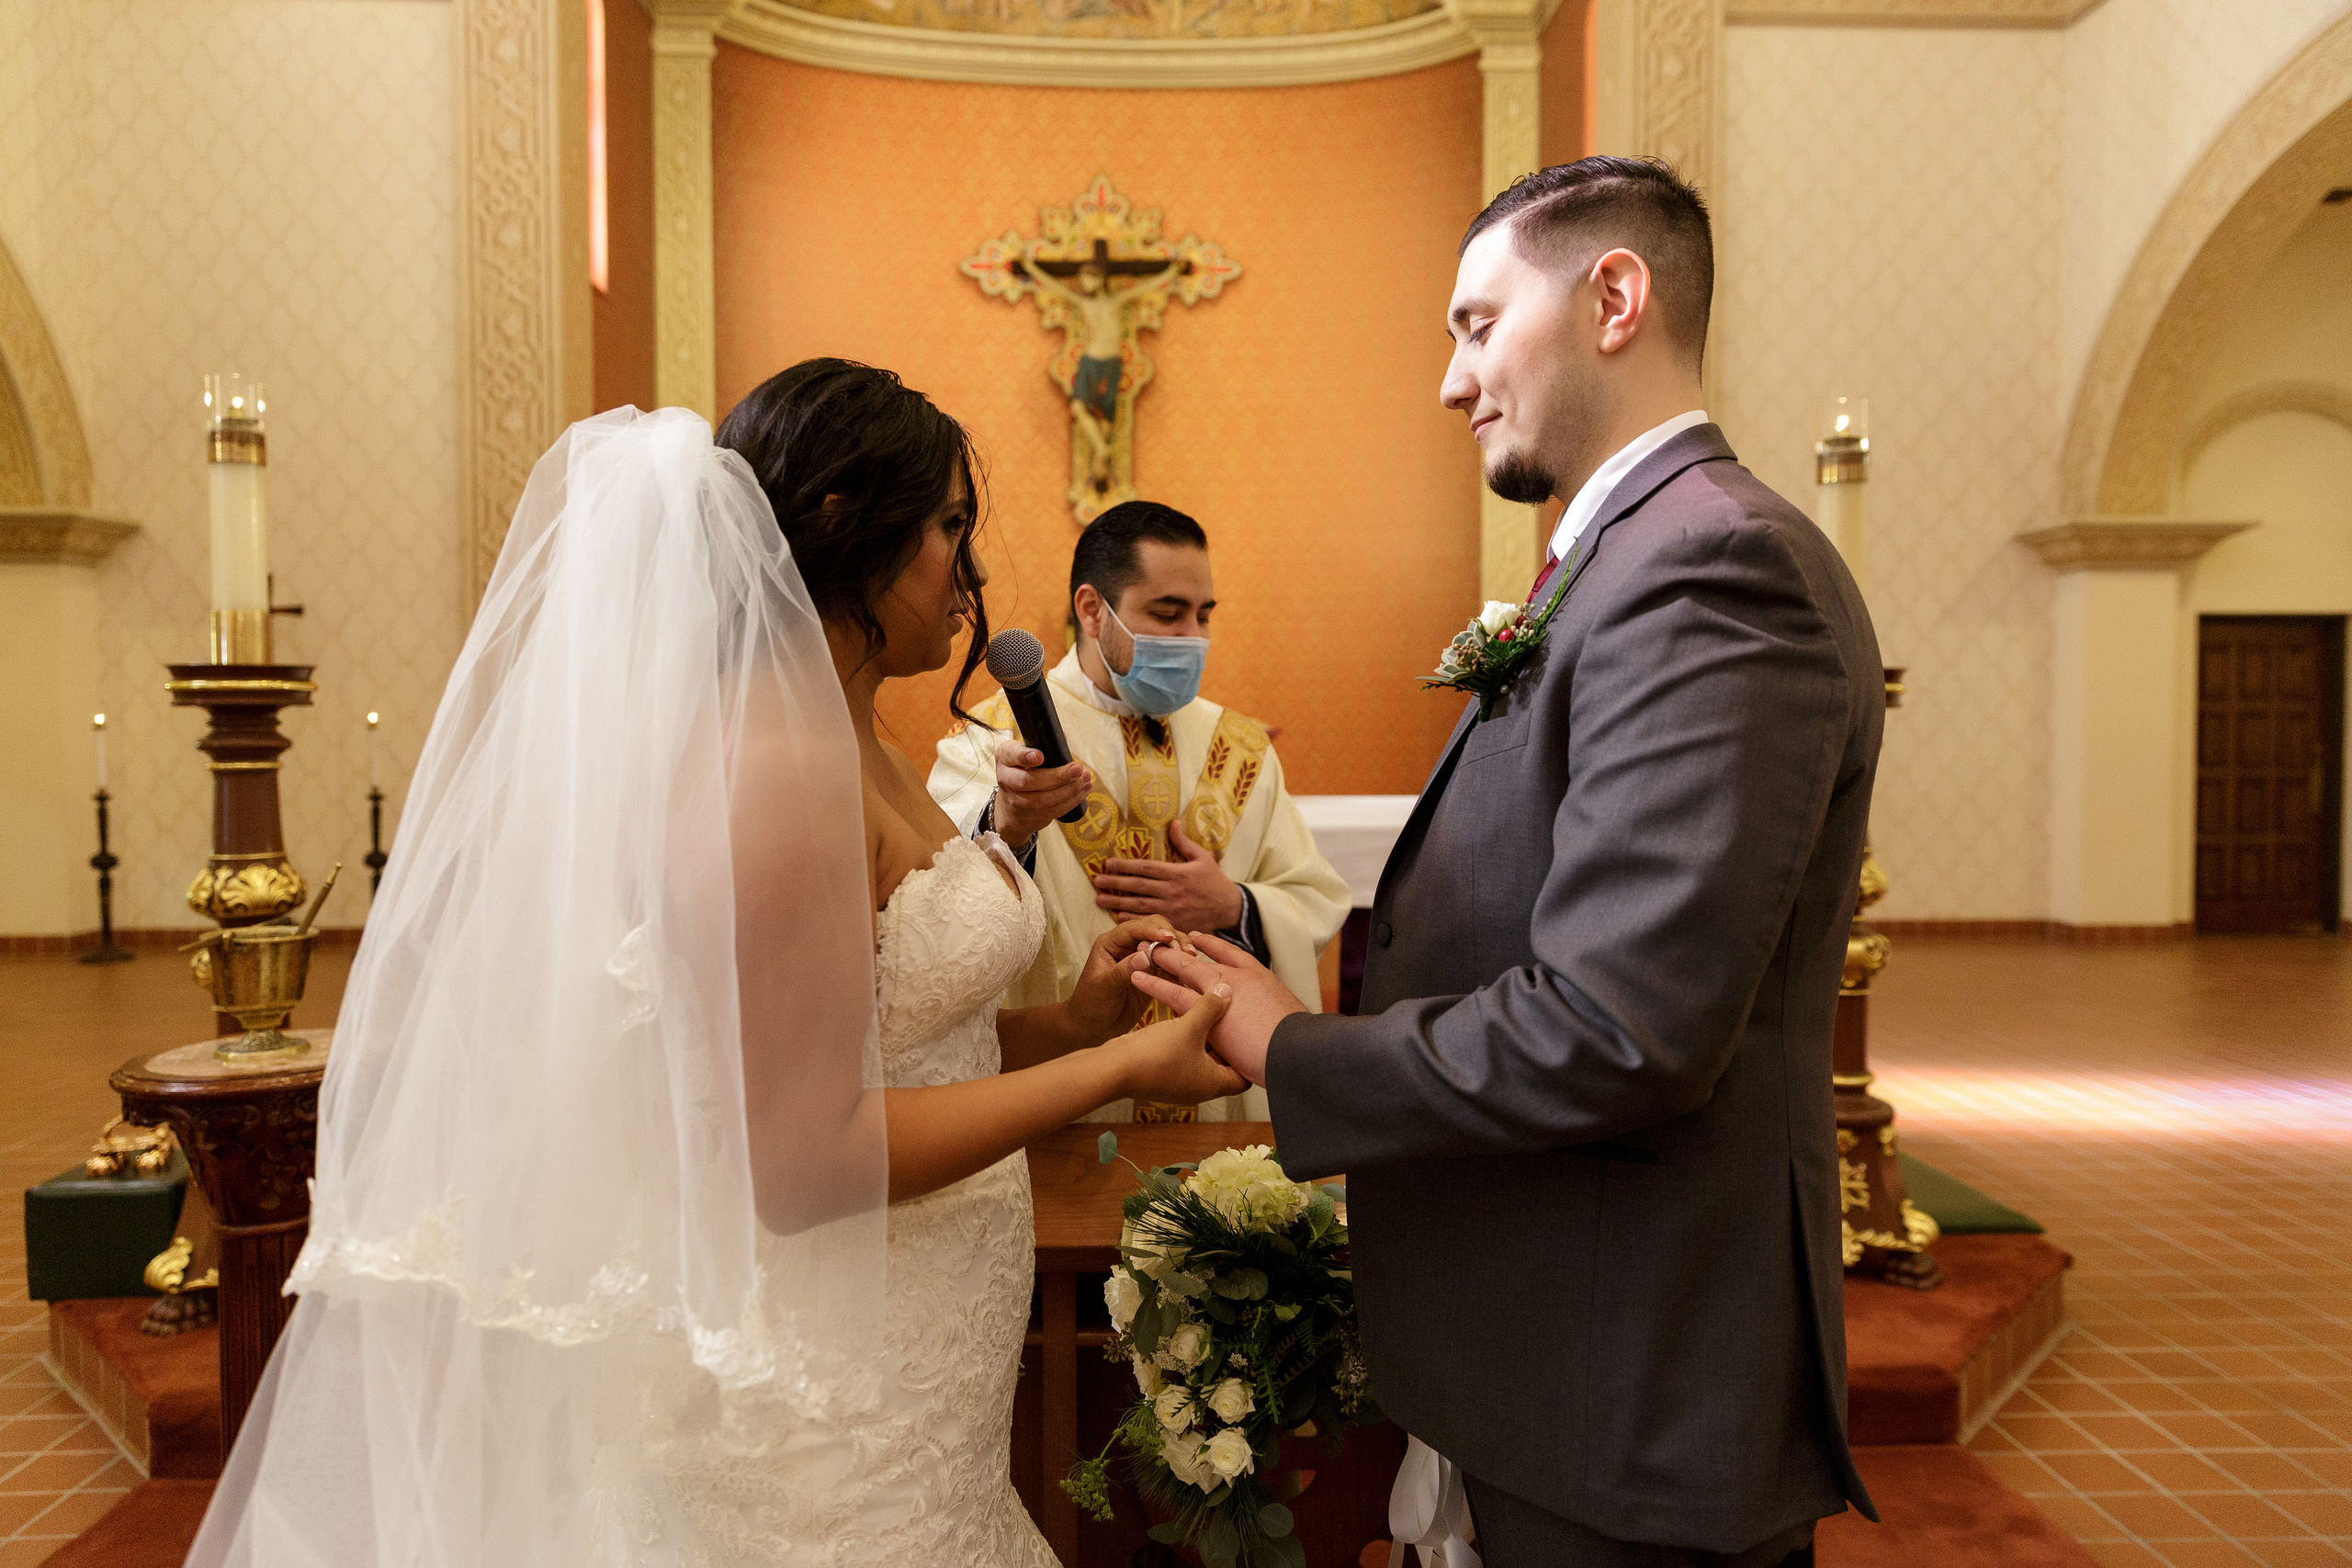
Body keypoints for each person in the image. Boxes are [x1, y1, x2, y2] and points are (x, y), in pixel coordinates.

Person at [187, 361, 1243, 1567]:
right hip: (831, 1424)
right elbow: (800, 1156)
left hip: (913, 1373)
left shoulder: (847, 728)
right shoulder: (774, 767)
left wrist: (1073, 1025)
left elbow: (888, 1039)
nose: (975, 572)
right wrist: (1114, 1072)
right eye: (951, 524)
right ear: (847, 525)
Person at [1134, 158, 1883, 1566]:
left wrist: (1295, 1043)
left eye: (1477, 323)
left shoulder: (1712, 567)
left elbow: (1621, 1025)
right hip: (1558, 1348)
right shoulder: (1619, 559)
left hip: (1630, 1382)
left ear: (1614, 295)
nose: (1449, 379)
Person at [929, 500, 1350, 1122]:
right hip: (1066, 1099)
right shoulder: (994, 738)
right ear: (1093, 610)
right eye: (1167, 613)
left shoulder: (1239, 746)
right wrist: (1010, 823)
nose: (1192, 637)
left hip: (1214, 1100)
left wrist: (1234, 905)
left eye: (1203, 614)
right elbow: (939, 899)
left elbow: (1313, 894)